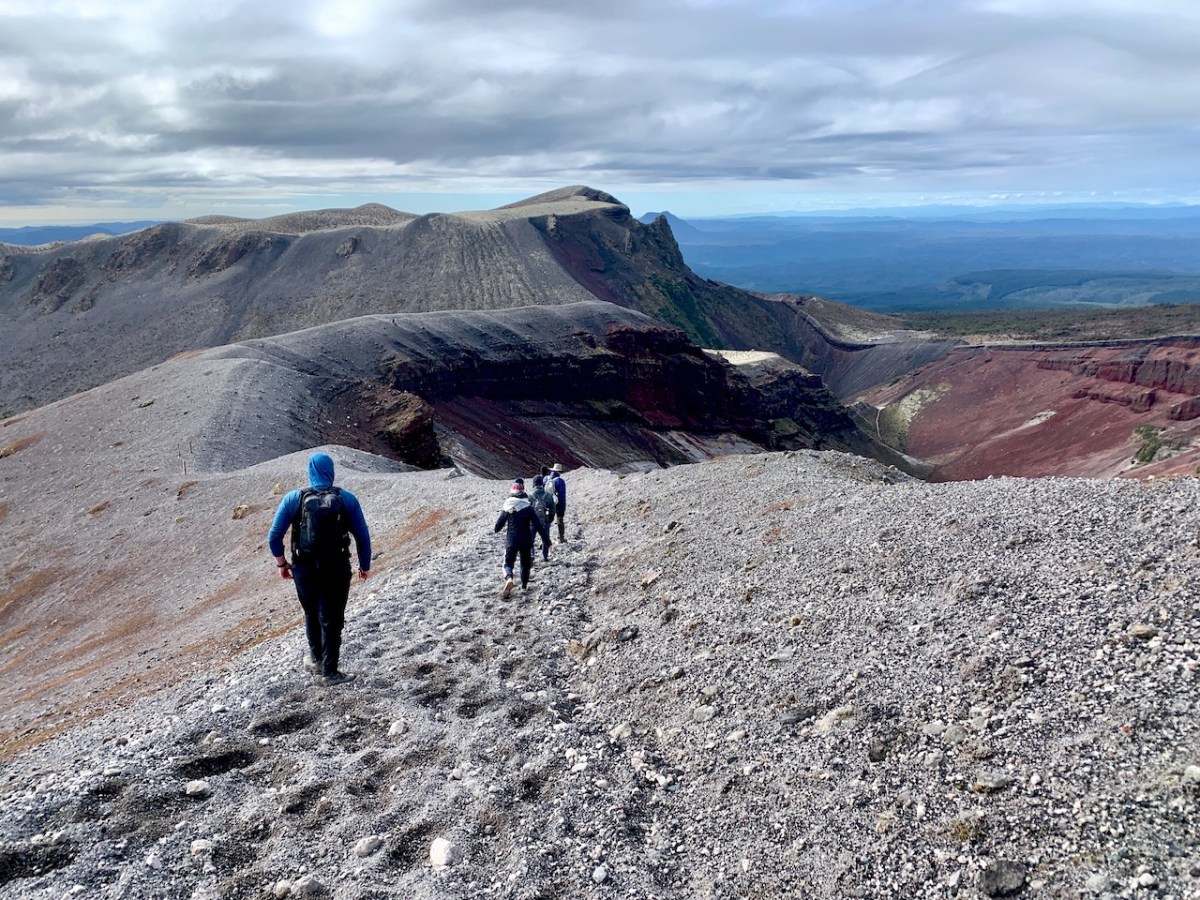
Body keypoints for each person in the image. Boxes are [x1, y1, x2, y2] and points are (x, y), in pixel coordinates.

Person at [268, 452, 371, 686]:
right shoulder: (347, 499)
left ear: (310, 472)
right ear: (331, 472)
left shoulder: (294, 498)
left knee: (311, 612)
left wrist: (282, 564)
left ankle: (316, 660)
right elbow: (363, 537)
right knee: (332, 617)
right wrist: (364, 566)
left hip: (303, 569)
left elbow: (274, 537)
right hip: (336, 568)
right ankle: (330, 672)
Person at [494, 478, 551, 598]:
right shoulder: (528, 507)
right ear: (523, 492)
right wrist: (548, 542)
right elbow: (539, 526)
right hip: (526, 540)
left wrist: (497, 528)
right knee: (525, 564)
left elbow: (498, 526)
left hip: (512, 540)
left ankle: (509, 578)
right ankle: (524, 587)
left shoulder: (508, 506)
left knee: (507, 563)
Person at [529, 475, 557, 561]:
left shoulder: (529, 496)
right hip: (544, 521)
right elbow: (553, 510)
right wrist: (549, 520)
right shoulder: (548, 495)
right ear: (542, 484)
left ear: (533, 484)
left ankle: (531, 556)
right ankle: (545, 557)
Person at [547, 463, 567, 542]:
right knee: (559, 520)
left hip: (549, 502)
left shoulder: (547, 479)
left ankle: (545, 539)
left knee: (547, 521)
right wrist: (563, 507)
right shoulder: (560, 481)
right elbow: (562, 495)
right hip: (558, 503)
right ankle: (561, 538)